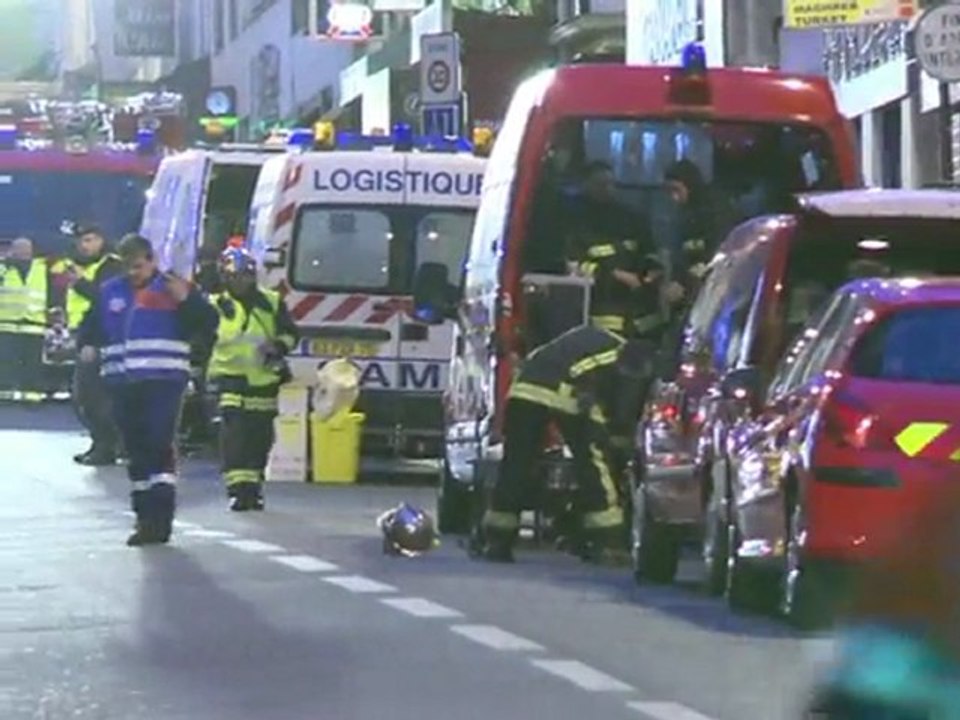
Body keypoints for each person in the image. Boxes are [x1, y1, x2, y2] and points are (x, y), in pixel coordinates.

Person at [76, 234, 217, 546]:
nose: (132, 273)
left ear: (152, 261)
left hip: (163, 381)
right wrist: (85, 343)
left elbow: (208, 321)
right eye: (127, 267)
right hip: (122, 383)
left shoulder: (171, 288)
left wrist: (187, 299)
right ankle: (144, 519)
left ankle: (161, 518)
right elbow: (91, 325)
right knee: (136, 450)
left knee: (158, 443)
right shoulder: (111, 291)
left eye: (138, 266)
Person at [474, 324, 654, 563]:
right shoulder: (615, 355)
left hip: (522, 391)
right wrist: (612, 437)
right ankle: (608, 542)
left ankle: (497, 539)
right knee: (593, 464)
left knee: (515, 466)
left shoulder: (592, 336)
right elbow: (604, 397)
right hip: (564, 391)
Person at [207, 247, 297, 511]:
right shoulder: (215, 305)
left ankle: (253, 487)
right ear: (224, 277)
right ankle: (237, 489)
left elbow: (291, 334)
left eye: (245, 276)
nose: (240, 282)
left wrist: (278, 346)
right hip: (228, 377)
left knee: (259, 436)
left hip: (263, 379)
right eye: (233, 277)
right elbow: (202, 337)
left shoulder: (271, 302)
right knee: (233, 433)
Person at [51, 224, 123, 465]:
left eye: (90, 239)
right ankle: (102, 444)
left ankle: (106, 446)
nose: (85, 245)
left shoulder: (111, 266)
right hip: (83, 335)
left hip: (101, 339)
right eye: (82, 240)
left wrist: (80, 283)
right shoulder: (83, 267)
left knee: (92, 396)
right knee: (86, 396)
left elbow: (107, 301)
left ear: (102, 240)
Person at [0, 237, 49, 400]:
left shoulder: (42, 269)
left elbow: (53, 293)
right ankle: (4, 394)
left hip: (34, 323)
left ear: (31, 251)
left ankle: (32, 395)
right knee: (5, 361)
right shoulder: (2, 269)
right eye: (18, 249)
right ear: (12, 251)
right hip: (5, 324)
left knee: (32, 362)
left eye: (25, 249)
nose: (22, 252)